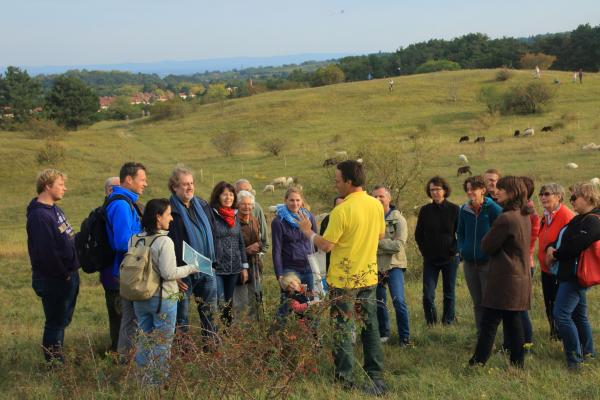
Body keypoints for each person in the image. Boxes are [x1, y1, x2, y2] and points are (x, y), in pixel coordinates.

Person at [298, 160, 387, 396]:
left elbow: (326, 246)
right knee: (370, 326)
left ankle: (345, 378)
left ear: (349, 181)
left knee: (343, 328)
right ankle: (376, 376)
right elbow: (380, 235)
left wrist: (308, 232)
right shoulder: (376, 205)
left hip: (344, 281)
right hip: (368, 276)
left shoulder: (342, 210)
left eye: (338, 180)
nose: (336, 184)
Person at [131, 198, 199, 384]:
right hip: (164, 298)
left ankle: (143, 382)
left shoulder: (135, 239)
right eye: (168, 214)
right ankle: (158, 384)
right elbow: (169, 273)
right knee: (162, 343)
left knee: (144, 339)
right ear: (158, 217)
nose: (171, 219)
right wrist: (192, 267)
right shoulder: (164, 241)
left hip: (139, 296)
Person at [469, 176, 532, 368]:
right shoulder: (524, 214)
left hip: (505, 278)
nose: (497, 192)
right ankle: (516, 364)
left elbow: (487, 245)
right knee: (512, 322)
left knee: (490, 323)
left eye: (502, 189)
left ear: (512, 192)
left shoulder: (506, 218)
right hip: (519, 276)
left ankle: (477, 363)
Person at [27, 169, 79, 362]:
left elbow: (67, 237)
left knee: (61, 320)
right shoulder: (39, 216)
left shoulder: (55, 210)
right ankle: (54, 363)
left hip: (66, 274)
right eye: (60, 184)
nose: (64, 188)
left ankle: (58, 357)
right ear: (47, 186)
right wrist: (63, 273)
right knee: (55, 322)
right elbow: (46, 252)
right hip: (54, 278)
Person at [546, 182, 600, 369]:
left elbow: (576, 246)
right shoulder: (581, 218)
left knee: (561, 315)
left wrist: (555, 254)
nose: (572, 201)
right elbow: (562, 238)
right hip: (571, 273)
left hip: (575, 275)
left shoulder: (593, 220)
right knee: (579, 316)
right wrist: (550, 247)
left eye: (574, 197)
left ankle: (574, 360)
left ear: (588, 197)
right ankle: (588, 353)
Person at [166, 165, 218, 338]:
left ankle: (212, 352)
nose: (189, 187)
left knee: (211, 315)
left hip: (206, 268)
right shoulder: (168, 210)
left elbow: (213, 232)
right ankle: (183, 355)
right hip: (182, 274)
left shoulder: (202, 205)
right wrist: (174, 274)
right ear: (174, 187)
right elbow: (165, 244)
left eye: (191, 183)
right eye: (184, 184)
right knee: (181, 318)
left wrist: (214, 263)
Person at [102, 162, 146, 360]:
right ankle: (129, 361)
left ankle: (125, 361)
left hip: (128, 269)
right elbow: (122, 241)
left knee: (129, 319)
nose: (145, 184)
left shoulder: (126, 201)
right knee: (131, 320)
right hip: (127, 270)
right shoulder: (121, 204)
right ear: (129, 179)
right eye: (142, 179)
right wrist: (147, 238)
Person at [457, 175, 502, 336]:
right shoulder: (464, 210)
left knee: (489, 302)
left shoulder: (494, 209)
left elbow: (501, 234)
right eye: (467, 190)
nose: (470, 193)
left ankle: (492, 337)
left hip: (488, 263)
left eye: (473, 189)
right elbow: (460, 233)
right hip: (469, 264)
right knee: (477, 303)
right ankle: (481, 335)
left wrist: (492, 253)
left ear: (482, 190)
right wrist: (462, 249)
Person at [415, 176, 460, 325]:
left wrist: (454, 250)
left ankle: (448, 322)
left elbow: (461, 233)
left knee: (449, 293)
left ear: (445, 190)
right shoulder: (425, 210)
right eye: (432, 189)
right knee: (428, 294)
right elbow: (418, 234)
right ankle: (431, 322)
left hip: (450, 258)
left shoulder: (454, 209)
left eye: (437, 189)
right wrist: (425, 251)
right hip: (430, 260)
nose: (434, 192)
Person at [372, 185, 410, 345]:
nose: (378, 200)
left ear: (389, 198)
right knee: (379, 302)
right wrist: (386, 244)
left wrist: (378, 243)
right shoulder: (370, 218)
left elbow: (398, 246)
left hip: (394, 265)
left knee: (398, 301)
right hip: (375, 267)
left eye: (381, 196)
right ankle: (384, 333)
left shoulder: (397, 219)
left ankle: (405, 338)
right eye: (375, 197)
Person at [537, 182, 574, 340]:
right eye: (541, 194)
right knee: (550, 303)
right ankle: (554, 334)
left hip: (560, 270)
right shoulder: (546, 215)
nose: (543, 197)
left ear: (558, 197)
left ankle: (564, 336)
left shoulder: (566, 216)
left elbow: (569, 244)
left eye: (547, 194)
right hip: (547, 269)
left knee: (560, 307)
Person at [210, 181, 249, 325]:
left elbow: (240, 242)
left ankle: (228, 333)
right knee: (220, 302)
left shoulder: (235, 215)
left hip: (234, 267)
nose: (228, 197)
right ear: (218, 196)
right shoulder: (212, 215)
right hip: (218, 268)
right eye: (225, 194)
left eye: (231, 194)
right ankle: (216, 331)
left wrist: (244, 267)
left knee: (229, 302)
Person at [271, 187, 317, 292]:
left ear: (302, 201)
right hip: (290, 269)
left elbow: (315, 241)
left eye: (297, 200)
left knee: (310, 301)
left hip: (309, 267)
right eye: (291, 200)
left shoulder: (309, 217)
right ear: (285, 201)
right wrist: (279, 274)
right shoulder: (278, 222)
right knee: (290, 303)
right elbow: (276, 249)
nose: (295, 203)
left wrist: (318, 266)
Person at [233, 190, 264, 320]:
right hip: (239, 266)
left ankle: (254, 331)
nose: (247, 207)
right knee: (240, 302)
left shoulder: (254, 220)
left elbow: (261, 240)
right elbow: (230, 248)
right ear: (238, 205)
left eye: (250, 204)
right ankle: (239, 332)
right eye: (243, 204)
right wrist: (246, 250)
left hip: (255, 265)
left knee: (256, 299)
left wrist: (259, 246)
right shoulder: (233, 223)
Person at [234, 179, 269, 252]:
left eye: (247, 191)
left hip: (255, 256)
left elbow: (263, 234)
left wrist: (262, 250)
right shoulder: (229, 209)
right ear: (235, 192)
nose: (244, 193)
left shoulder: (256, 207)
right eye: (241, 191)